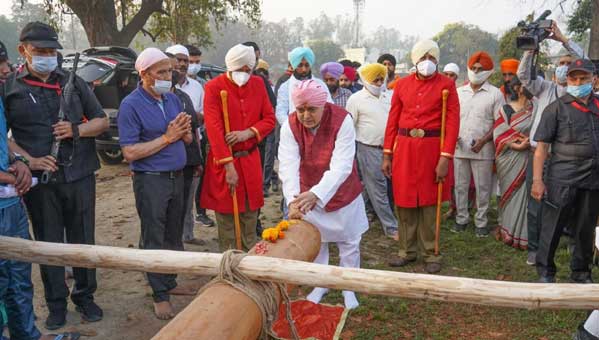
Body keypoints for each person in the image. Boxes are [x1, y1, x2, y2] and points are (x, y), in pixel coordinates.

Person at [2, 22, 108, 329]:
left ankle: (86, 298)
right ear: (23, 50)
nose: (48, 57)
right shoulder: (9, 87)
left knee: (83, 240)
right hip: (40, 182)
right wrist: (28, 159)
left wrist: (76, 130)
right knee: (48, 244)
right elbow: (2, 136)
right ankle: (56, 304)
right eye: (41, 51)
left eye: (52, 51)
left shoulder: (73, 81)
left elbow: (101, 121)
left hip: (80, 174)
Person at [118, 47, 194, 319]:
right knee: (153, 236)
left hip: (177, 177)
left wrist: (184, 133)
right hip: (150, 180)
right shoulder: (130, 105)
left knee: (173, 233)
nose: (167, 76)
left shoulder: (172, 99)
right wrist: (167, 138)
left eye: (169, 71)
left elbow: (185, 138)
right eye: (160, 72)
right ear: (144, 74)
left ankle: (169, 282)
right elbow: (129, 153)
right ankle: (158, 294)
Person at [278, 79, 367, 309]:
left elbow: (342, 165)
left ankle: (349, 286)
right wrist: (293, 199)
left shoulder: (342, 120)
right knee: (317, 241)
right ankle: (321, 283)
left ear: (324, 105)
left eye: (311, 110)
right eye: (300, 110)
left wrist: (317, 193)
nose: (305, 115)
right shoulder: (289, 125)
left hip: (341, 191)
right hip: (306, 193)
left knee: (349, 243)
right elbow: (288, 164)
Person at [382, 40, 459, 274]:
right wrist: (387, 154)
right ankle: (406, 250)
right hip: (404, 148)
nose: (428, 62)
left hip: (432, 148)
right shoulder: (402, 85)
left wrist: (445, 157)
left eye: (432, 58)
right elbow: (392, 120)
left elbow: (453, 122)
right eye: (423, 58)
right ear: (415, 60)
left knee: (428, 201)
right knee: (404, 200)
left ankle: (430, 252)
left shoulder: (447, 85)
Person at [517, 21, 584, 265]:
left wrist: (564, 41)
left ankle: (568, 247)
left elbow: (586, 62)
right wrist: (531, 48)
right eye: (561, 64)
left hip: (565, 158)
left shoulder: (580, 93)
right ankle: (534, 249)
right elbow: (523, 75)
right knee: (535, 205)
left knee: (568, 205)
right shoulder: (544, 88)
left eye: (569, 65)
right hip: (539, 155)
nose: (565, 69)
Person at [200, 44, 275, 251]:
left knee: (250, 219)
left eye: (247, 70)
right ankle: (231, 268)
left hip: (250, 161)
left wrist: (249, 132)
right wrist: (228, 166)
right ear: (230, 67)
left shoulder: (258, 84)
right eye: (239, 70)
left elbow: (269, 119)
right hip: (224, 162)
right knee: (228, 225)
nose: (244, 74)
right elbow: (214, 130)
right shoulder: (214, 87)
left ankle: (250, 268)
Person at [531, 58, 599, 284]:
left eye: (584, 78)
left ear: (594, 80)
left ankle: (581, 272)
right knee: (552, 227)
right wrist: (537, 180)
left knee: (585, 228)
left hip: (593, 178)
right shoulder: (555, 109)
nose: (578, 82)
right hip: (562, 178)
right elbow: (541, 149)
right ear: (567, 80)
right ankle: (545, 272)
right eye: (574, 78)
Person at [453, 51, 504, 237]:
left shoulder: (495, 94)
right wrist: (454, 137)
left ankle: (481, 222)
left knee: (483, 187)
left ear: (489, 72)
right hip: (459, 147)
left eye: (480, 69)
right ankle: (461, 219)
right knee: (460, 186)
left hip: (483, 149)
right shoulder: (458, 92)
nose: (476, 71)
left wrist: (483, 141)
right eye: (473, 68)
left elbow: (500, 123)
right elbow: (451, 119)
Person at [346, 63, 398, 239]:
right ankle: (391, 227)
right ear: (366, 81)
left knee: (373, 187)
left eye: (381, 79)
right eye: (375, 80)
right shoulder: (356, 99)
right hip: (368, 149)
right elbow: (349, 126)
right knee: (378, 188)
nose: (378, 83)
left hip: (391, 149)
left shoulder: (389, 96)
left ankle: (364, 214)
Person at [164, 51, 204, 246]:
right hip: (163, 167)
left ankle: (181, 241)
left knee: (184, 204)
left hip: (188, 161)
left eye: (177, 67)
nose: (176, 70)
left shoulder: (184, 97)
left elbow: (195, 130)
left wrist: (198, 160)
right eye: (171, 67)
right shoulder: (150, 100)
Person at [493, 77, 535, 249]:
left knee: (526, 195)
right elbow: (498, 134)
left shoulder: (537, 109)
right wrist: (515, 145)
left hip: (530, 157)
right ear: (518, 88)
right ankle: (507, 230)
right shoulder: (506, 109)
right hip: (509, 157)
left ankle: (523, 236)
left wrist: (530, 142)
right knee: (509, 194)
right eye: (527, 84)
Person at [275, 47, 332, 126]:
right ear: (294, 66)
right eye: (300, 65)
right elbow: (281, 112)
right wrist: (292, 128)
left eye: (307, 65)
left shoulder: (320, 84)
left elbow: (329, 106)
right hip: (293, 130)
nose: (304, 69)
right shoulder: (285, 87)